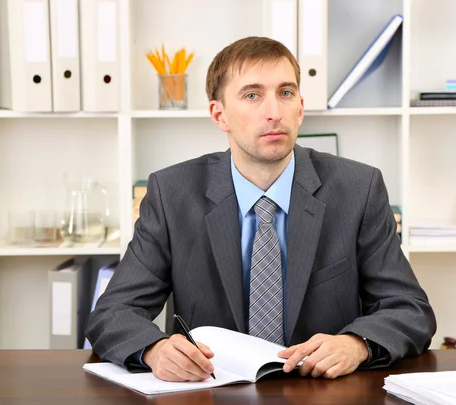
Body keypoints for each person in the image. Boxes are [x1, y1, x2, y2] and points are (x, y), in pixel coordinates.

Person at [85, 36, 437, 382]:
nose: (273, 112)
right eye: (252, 95)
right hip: (212, 389)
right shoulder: (172, 194)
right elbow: (113, 313)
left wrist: (356, 344)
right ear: (218, 114)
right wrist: (154, 349)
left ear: (300, 108)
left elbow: (410, 310)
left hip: (321, 390)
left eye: (285, 94)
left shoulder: (358, 189)